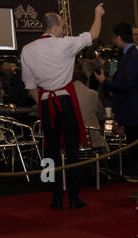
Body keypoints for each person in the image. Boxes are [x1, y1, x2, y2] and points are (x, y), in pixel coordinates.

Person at [21, 4, 105, 209]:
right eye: (64, 26)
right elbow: (93, 34)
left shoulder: (27, 50)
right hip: (65, 101)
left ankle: (55, 197)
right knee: (72, 150)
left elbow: (30, 87)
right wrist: (97, 14)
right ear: (56, 28)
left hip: (45, 102)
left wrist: (44, 102)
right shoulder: (64, 44)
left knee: (50, 151)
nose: (65, 29)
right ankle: (74, 197)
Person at [100, 21, 138, 179]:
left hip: (133, 112)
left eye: (114, 37)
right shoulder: (131, 55)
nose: (113, 41)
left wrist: (105, 81)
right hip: (133, 110)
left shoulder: (132, 56)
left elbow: (127, 84)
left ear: (119, 37)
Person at [72, 60, 105, 149]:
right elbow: (101, 115)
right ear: (86, 81)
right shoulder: (93, 94)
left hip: (71, 140)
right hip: (93, 139)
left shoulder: (64, 95)